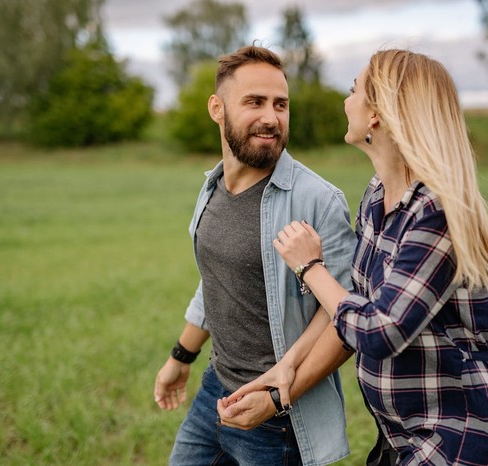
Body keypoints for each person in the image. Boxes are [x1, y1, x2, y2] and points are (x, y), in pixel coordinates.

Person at [222, 49, 488, 465]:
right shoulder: (376, 196)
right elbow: (353, 303)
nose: (345, 100)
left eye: (354, 90)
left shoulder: (435, 210)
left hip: (459, 433)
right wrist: (288, 367)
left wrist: (310, 267)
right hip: (403, 431)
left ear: (376, 115)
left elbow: (378, 332)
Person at [153, 45, 357, 466]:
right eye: (254, 102)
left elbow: (346, 320)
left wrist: (276, 398)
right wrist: (181, 356)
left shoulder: (318, 200)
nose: (271, 117)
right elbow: (216, 282)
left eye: (280, 104)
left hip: (277, 417)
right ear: (217, 109)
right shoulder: (212, 187)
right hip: (215, 391)